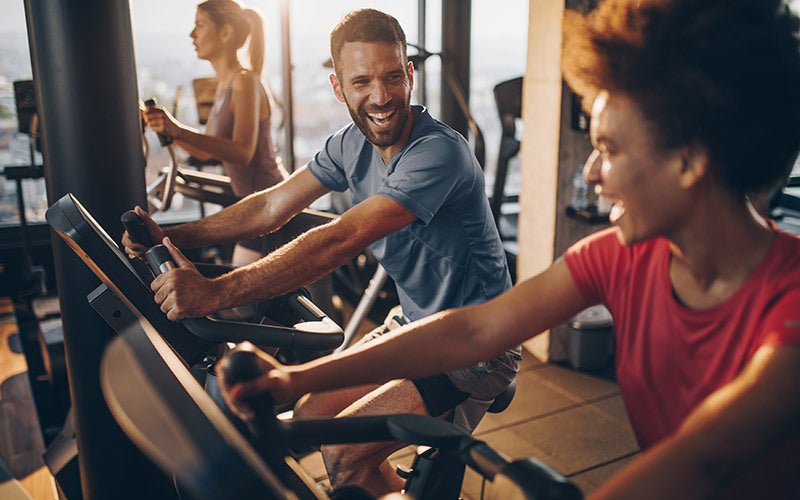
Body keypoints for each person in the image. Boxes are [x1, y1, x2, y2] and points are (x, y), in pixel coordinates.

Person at [219, 0, 800, 498]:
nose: (592, 172)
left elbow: (708, 459)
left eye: (611, 149)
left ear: (689, 161)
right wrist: (295, 382)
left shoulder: (790, 305)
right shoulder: (618, 256)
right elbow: (472, 330)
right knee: (329, 435)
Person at [124, 8, 520, 496]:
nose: (380, 97)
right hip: (415, 325)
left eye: (393, 77)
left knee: (343, 453)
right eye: (362, 82)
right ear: (338, 88)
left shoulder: (440, 152)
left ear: (410, 76)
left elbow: (339, 240)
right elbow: (271, 205)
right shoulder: (348, 145)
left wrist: (214, 293)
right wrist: (171, 238)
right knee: (312, 414)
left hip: (476, 348)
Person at [142, 0, 288, 266]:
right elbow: (207, 151)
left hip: (269, 202)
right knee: (246, 301)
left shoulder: (246, 82)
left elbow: (242, 151)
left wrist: (177, 128)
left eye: (200, 25)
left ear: (225, 33)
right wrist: (169, 131)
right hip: (250, 204)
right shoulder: (225, 85)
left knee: (244, 302)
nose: (192, 34)